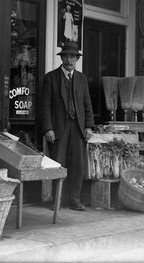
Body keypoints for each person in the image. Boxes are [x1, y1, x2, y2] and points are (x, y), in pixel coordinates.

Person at [41, 42, 94, 211]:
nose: (69, 60)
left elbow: (87, 105)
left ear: (77, 59)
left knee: (77, 166)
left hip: (77, 128)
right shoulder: (51, 78)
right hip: (58, 128)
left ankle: (75, 200)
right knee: (58, 164)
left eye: (73, 56)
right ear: (62, 58)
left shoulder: (82, 79)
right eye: (67, 56)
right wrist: (48, 128)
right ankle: (57, 200)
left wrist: (88, 127)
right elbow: (45, 106)